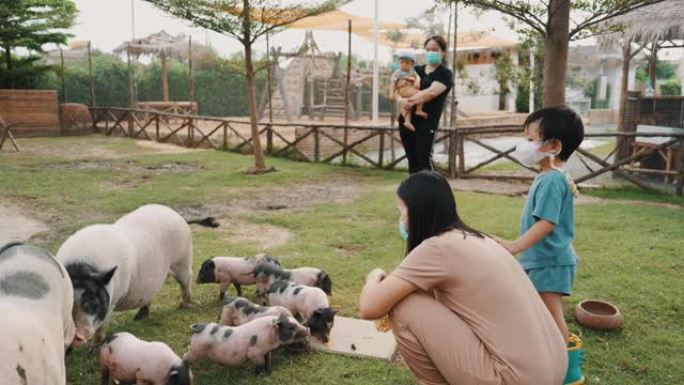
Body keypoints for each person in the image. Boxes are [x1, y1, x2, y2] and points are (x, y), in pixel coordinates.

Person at [359, 171, 567, 385]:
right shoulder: (481, 239)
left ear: (417, 213)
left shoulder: (438, 248)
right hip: (555, 369)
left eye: (401, 211)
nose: (400, 220)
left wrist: (374, 275)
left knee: (404, 307)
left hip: (515, 379)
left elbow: (370, 307)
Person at [496, 106, 586, 385]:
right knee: (541, 315)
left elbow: (546, 223)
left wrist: (514, 246)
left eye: (530, 139)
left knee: (552, 316)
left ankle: (567, 373)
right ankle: (547, 359)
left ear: (554, 145)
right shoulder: (550, 176)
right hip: (544, 260)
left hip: (550, 261)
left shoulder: (551, 180)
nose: (524, 145)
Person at [396, 35, 453, 173]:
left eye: (435, 49)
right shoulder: (416, 70)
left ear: (443, 52)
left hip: (427, 122)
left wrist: (408, 102)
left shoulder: (444, 73)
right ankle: (414, 193)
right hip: (406, 121)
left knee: (424, 162)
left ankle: (434, 192)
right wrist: (400, 99)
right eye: (428, 49)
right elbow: (400, 87)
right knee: (412, 161)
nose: (431, 52)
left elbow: (431, 93)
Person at [389, 52, 427, 132]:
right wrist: (391, 93)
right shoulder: (397, 73)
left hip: (411, 90)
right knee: (420, 95)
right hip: (404, 90)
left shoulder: (412, 71)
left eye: (406, 63)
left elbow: (418, 78)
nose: (404, 65)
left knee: (408, 106)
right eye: (402, 62)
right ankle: (418, 110)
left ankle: (407, 121)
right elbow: (392, 84)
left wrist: (416, 81)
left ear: (411, 64)